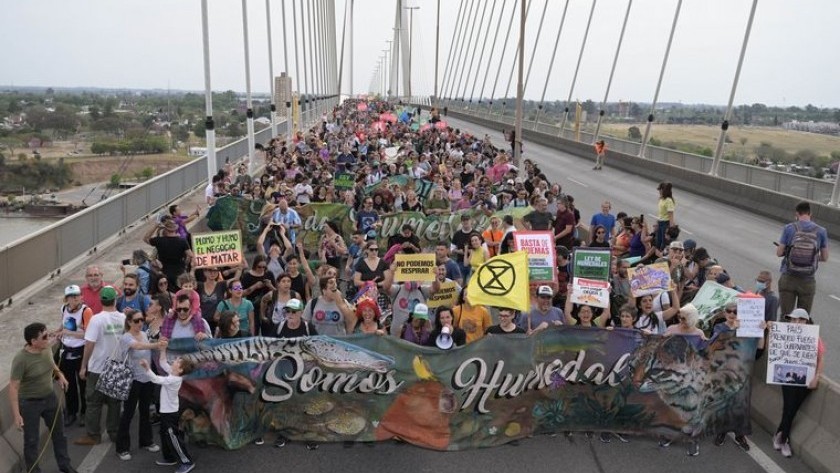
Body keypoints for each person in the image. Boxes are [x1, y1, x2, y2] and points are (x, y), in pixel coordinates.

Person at [10, 322, 79, 473]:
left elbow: (51, 364)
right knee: (32, 441)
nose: (49, 338)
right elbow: (13, 387)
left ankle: (65, 465)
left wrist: (59, 375)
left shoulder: (46, 347)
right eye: (45, 336)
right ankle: (34, 470)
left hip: (50, 398)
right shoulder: (21, 359)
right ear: (33, 342)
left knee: (60, 434)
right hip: (30, 404)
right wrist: (16, 415)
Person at [75, 286, 125, 446]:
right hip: (116, 367)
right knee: (114, 402)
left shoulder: (96, 320)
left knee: (94, 403)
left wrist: (83, 366)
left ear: (100, 301)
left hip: (97, 368)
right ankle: (114, 432)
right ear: (115, 300)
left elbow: (89, 345)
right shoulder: (124, 318)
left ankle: (93, 435)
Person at [772, 308, 824, 459]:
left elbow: (821, 359)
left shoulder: (814, 337)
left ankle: (779, 435)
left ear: (806, 321)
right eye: (793, 320)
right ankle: (784, 440)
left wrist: (817, 377)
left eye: (799, 320)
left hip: (806, 379)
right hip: (787, 378)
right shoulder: (785, 334)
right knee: (789, 408)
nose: (796, 322)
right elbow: (775, 350)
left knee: (793, 409)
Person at [115, 312, 165, 461]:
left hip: (146, 379)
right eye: (136, 320)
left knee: (145, 412)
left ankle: (146, 441)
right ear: (129, 322)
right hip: (132, 380)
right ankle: (122, 448)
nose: (140, 323)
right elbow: (137, 346)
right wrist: (156, 344)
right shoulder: (125, 338)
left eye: (141, 320)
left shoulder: (144, 333)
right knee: (128, 414)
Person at [139, 348, 197, 473]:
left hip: (170, 414)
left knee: (172, 437)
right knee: (165, 435)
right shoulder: (173, 372)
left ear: (180, 370)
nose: (175, 361)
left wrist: (147, 368)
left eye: (177, 361)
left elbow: (156, 379)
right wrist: (163, 349)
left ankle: (187, 461)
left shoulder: (174, 380)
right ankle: (170, 457)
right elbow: (163, 362)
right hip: (166, 412)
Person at [775, 201, 829, 319]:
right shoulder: (821, 231)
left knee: (786, 316)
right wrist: (812, 257)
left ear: (797, 214)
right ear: (810, 213)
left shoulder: (789, 228)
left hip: (788, 277)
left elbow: (779, 253)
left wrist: (790, 253)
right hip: (807, 281)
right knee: (803, 319)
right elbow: (825, 257)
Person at [59, 285, 92, 427]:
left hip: (80, 350)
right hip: (66, 350)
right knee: (68, 384)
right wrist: (57, 332)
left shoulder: (86, 311)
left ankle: (85, 412)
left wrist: (68, 333)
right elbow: (63, 326)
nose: (76, 298)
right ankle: (72, 411)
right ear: (67, 299)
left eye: (77, 295)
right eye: (72, 296)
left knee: (83, 384)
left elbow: (89, 334)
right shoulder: (63, 309)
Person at [143, 219, 192, 291]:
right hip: (180, 272)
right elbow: (190, 255)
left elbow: (146, 238)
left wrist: (155, 226)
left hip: (165, 272)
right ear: (175, 229)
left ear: (165, 229)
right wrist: (185, 264)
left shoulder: (159, 240)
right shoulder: (182, 241)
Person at [655, 182, 676, 251]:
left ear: (663, 190)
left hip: (665, 224)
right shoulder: (661, 199)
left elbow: (671, 216)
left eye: (660, 190)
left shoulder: (669, 201)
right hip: (660, 223)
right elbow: (660, 214)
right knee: (658, 242)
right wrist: (657, 223)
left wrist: (670, 229)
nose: (659, 191)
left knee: (664, 243)